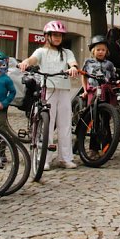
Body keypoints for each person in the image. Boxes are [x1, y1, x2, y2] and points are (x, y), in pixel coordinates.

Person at [18, 20, 80, 170]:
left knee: (65, 124)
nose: (57, 38)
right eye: (54, 35)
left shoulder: (67, 53)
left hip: (64, 90)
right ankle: (44, 158)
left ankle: (65, 158)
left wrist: (73, 68)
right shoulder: (41, 51)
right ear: (47, 36)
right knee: (47, 124)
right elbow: (32, 59)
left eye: (60, 35)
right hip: (48, 90)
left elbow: (73, 63)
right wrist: (25, 62)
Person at [82, 35, 119, 159]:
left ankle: (107, 147)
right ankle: (93, 149)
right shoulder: (88, 62)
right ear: (93, 51)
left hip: (106, 92)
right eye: (98, 49)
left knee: (106, 120)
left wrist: (117, 82)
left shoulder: (109, 64)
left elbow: (113, 78)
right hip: (93, 92)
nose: (101, 52)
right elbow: (84, 75)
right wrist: (85, 90)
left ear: (106, 51)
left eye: (103, 50)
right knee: (94, 120)